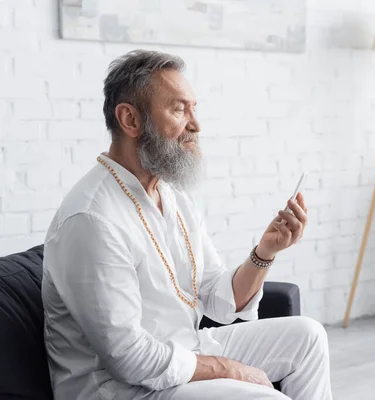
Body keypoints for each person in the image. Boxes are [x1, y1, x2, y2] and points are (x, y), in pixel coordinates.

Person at [41, 49, 332, 400]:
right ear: (130, 120)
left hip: (183, 353)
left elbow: (216, 298)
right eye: (179, 109)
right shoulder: (91, 219)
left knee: (308, 336)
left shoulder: (172, 195)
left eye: (194, 108)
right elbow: (127, 357)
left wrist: (266, 251)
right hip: (119, 388)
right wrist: (227, 368)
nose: (195, 124)